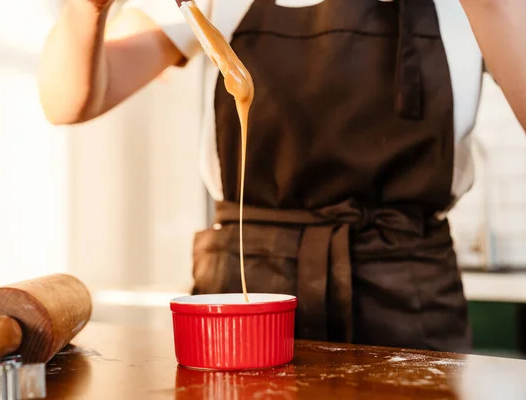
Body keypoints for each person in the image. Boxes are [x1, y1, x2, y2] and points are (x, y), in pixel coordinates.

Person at [38, 0, 526, 353]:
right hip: (244, 289)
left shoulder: (474, 9)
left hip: (407, 296)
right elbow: (66, 102)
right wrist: (89, 9)